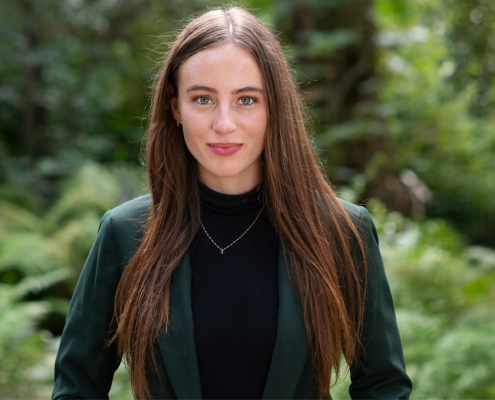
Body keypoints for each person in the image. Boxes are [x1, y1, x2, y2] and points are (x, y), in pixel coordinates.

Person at [51, 6, 412, 400]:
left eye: (246, 100)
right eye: (203, 99)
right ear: (176, 107)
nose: (224, 123)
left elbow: (383, 386)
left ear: (274, 107)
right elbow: (76, 387)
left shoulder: (343, 230)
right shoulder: (125, 233)